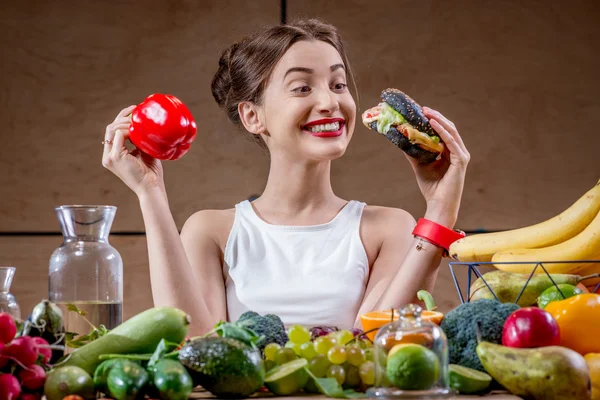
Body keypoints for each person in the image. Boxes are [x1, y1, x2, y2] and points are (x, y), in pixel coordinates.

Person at [101, 19, 470, 336]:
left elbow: (378, 349)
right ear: (252, 116)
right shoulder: (210, 232)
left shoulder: (388, 229)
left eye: (338, 84)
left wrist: (439, 210)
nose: (330, 102)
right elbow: (195, 347)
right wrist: (149, 193)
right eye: (302, 88)